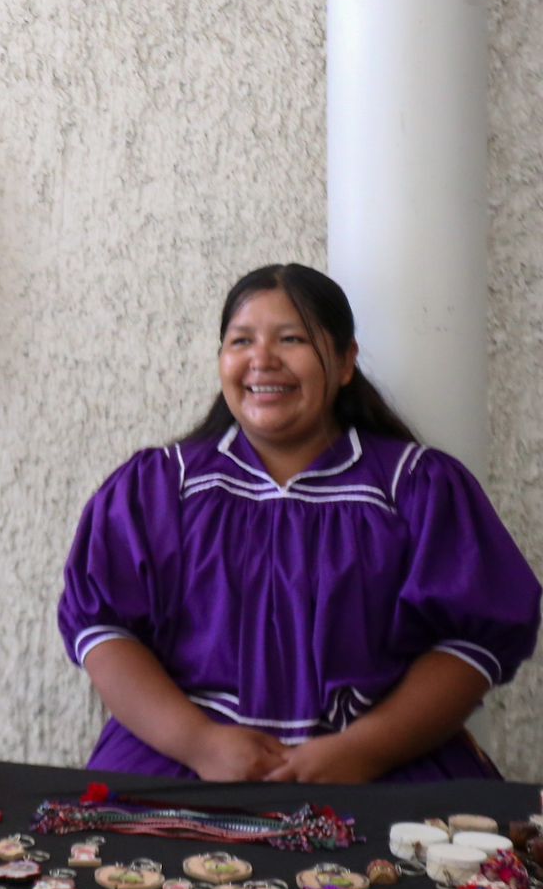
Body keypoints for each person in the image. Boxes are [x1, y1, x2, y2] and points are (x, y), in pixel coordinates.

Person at [58, 263, 541, 783]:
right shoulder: (158, 488)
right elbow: (103, 631)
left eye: (291, 339)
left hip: (383, 765)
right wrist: (199, 744)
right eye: (241, 340)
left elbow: (472, 644)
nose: (262, 359)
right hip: (182, 760)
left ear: (345, 360)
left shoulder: (416, 487)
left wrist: (363, 751)